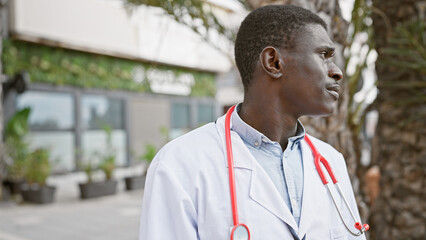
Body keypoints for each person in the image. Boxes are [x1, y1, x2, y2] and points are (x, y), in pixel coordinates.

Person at [139, 5, 366, 240]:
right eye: (323, 55)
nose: (337, 72)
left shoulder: (331, 162)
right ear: (274, 62)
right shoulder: (180, 165)